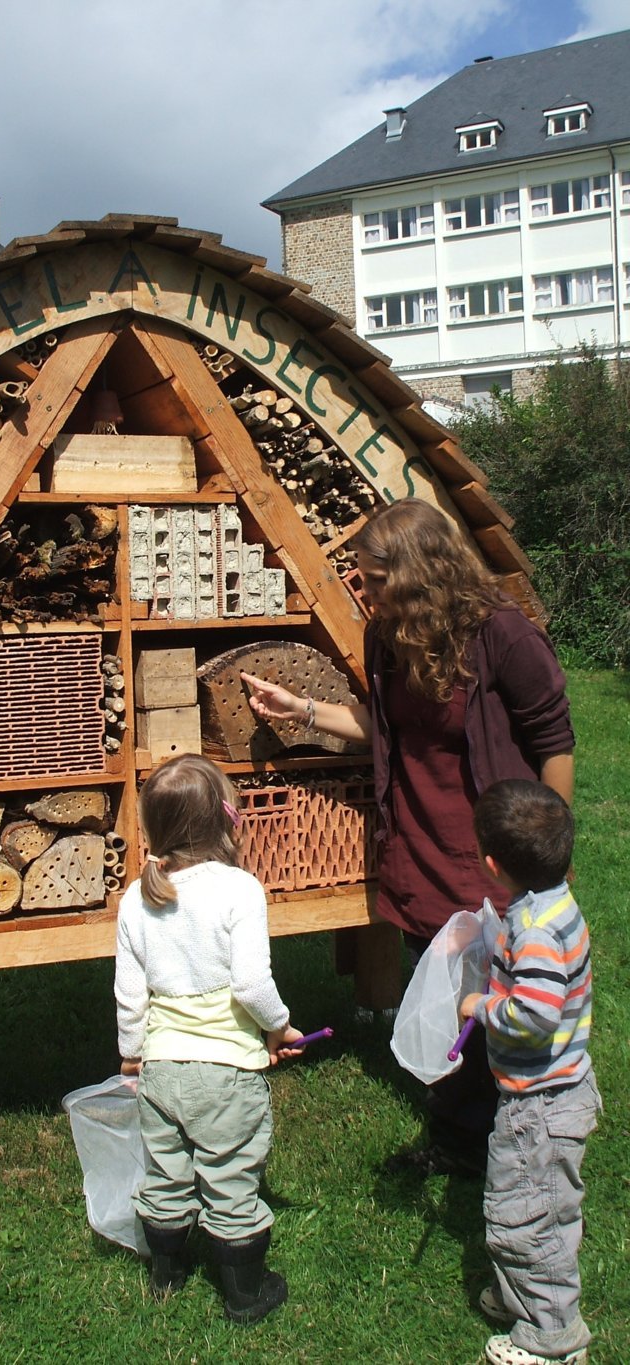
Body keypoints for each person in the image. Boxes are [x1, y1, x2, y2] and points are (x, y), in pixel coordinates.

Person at [241, 498, 574, 1176]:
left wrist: (545, 854)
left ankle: (526, 1131)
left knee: (506, 996)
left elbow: (554, 742)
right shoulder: (386, 635)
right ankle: (460, 1134)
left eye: (373, 577)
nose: (361, 589)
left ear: (419, 571)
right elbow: (383, 725)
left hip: (493, 854)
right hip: (420, 843)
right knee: (444, 995)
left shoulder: (504, 635)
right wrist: (303, 709)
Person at [114, 752, 305, 1324]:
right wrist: (279, 1026)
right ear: (228, 819)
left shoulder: (135, 896)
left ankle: (166, 1274)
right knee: (230, 1175)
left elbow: (130, 994)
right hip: (226, 1075)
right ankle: (245, 1293)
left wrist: (132, 1054)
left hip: (161, 1071)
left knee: (166, 1172)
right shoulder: (239, 889)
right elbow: (251, 984)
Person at [460, 779, 600, 1365]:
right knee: (544, 1204)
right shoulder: (554, 904)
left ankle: (552, 1338)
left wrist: (481, 1007)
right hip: (561, 1091)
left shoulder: (536, 931)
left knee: (525, 1216)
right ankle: (525, 1292)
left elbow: (535, 1016)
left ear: (492, 864)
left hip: (538, 1108)